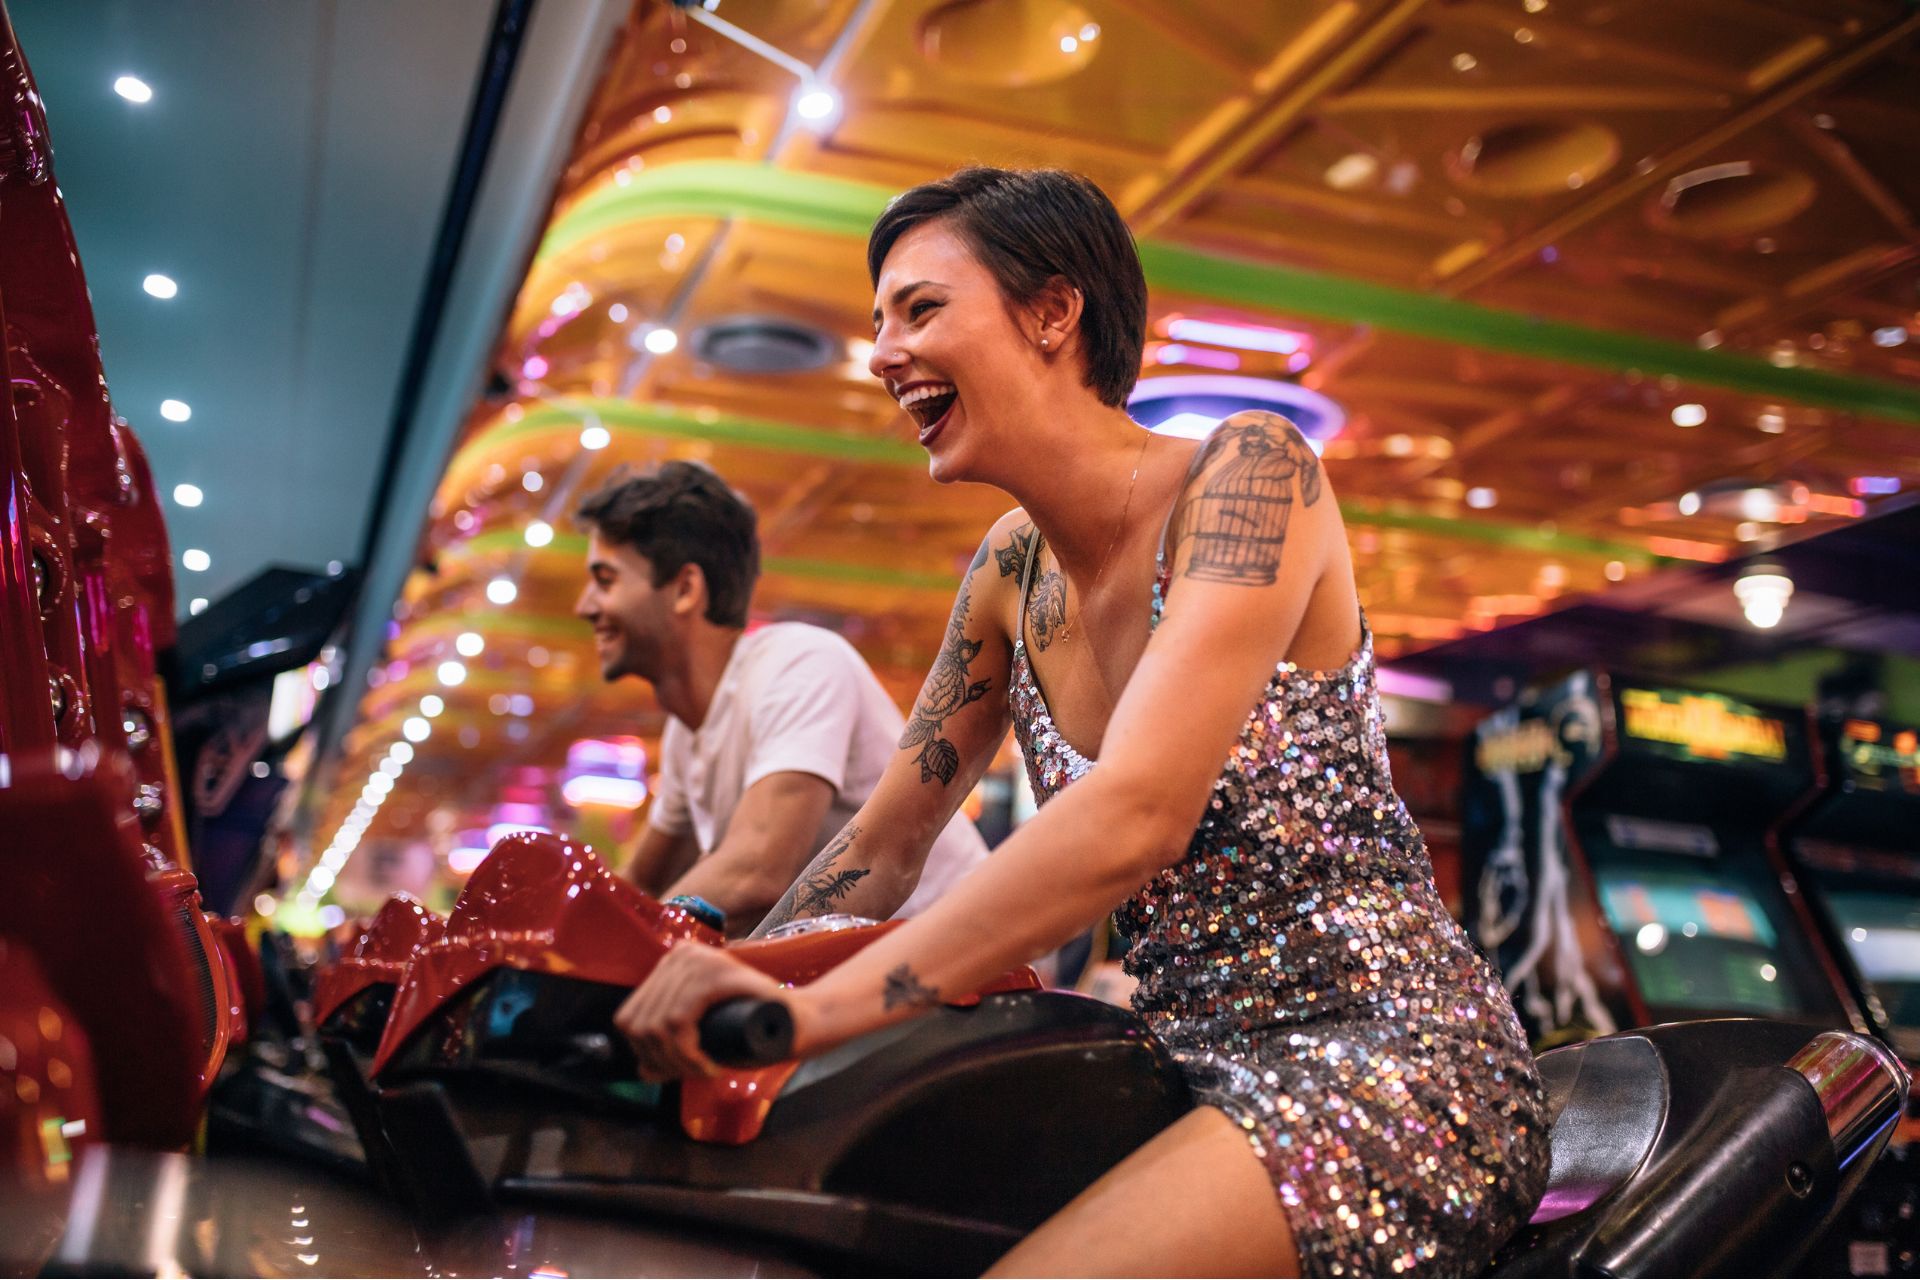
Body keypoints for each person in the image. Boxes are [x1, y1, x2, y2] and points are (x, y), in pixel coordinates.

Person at [613, 168, 1550, 1276]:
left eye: (919, 309)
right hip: (1167, 1063)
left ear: (1055, 312)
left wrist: (801, 1009)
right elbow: (882, 843)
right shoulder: (1009, 570)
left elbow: (1139, 812)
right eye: (877, 322)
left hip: (1385, 1059)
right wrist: (724, 985)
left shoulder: (1251, 473)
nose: (880, 353)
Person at [573, 461, 989, 935]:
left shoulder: (797, 662)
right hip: (869, 973)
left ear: (685, 589)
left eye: (605, 580)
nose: (584, 606)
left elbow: (755, 871)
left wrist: (623, 941)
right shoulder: (685, 736)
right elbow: (638, 888)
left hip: (976, 970)